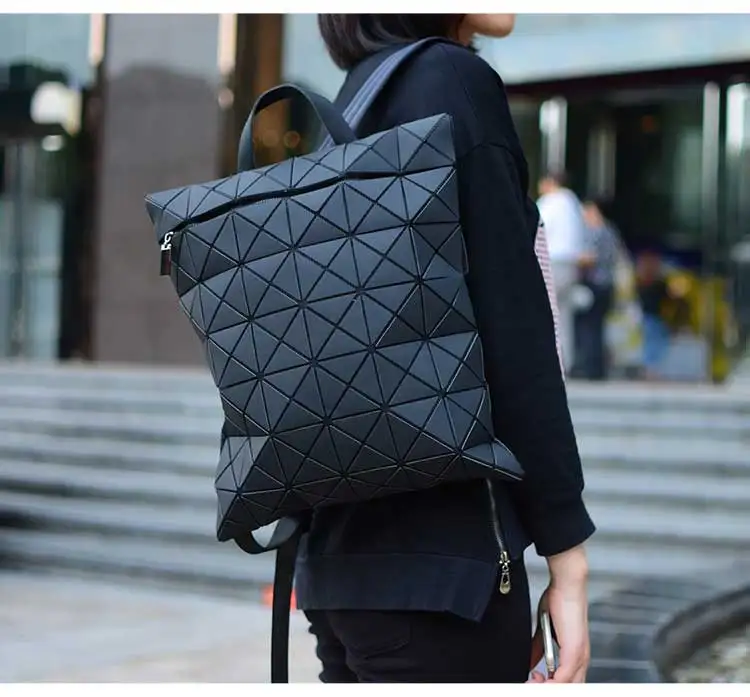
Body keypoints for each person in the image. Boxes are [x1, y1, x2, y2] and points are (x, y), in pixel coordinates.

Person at [297, 14, 595, 683]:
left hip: (342, 571)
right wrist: (568, 560)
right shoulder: (453, 81)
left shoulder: (355, 99)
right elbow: (513, 333)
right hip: (447, 576)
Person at [536, 171, 589, 374]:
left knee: (546, 312)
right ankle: (566, 360)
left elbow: (537, 228)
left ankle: (549, 360)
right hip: (571, 264)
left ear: (550, 182)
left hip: (552, 261)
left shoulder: (550, 202)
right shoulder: (574, 204)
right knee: (564, 315)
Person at [572, 200, 619, 381]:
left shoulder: (599, 232)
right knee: (596, 327)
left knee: (590, 327)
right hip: (605, 284)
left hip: (597, 284)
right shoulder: (610, 231)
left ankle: (590, 367)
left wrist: (572, 258)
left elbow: (591, 258)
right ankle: (596, 367)